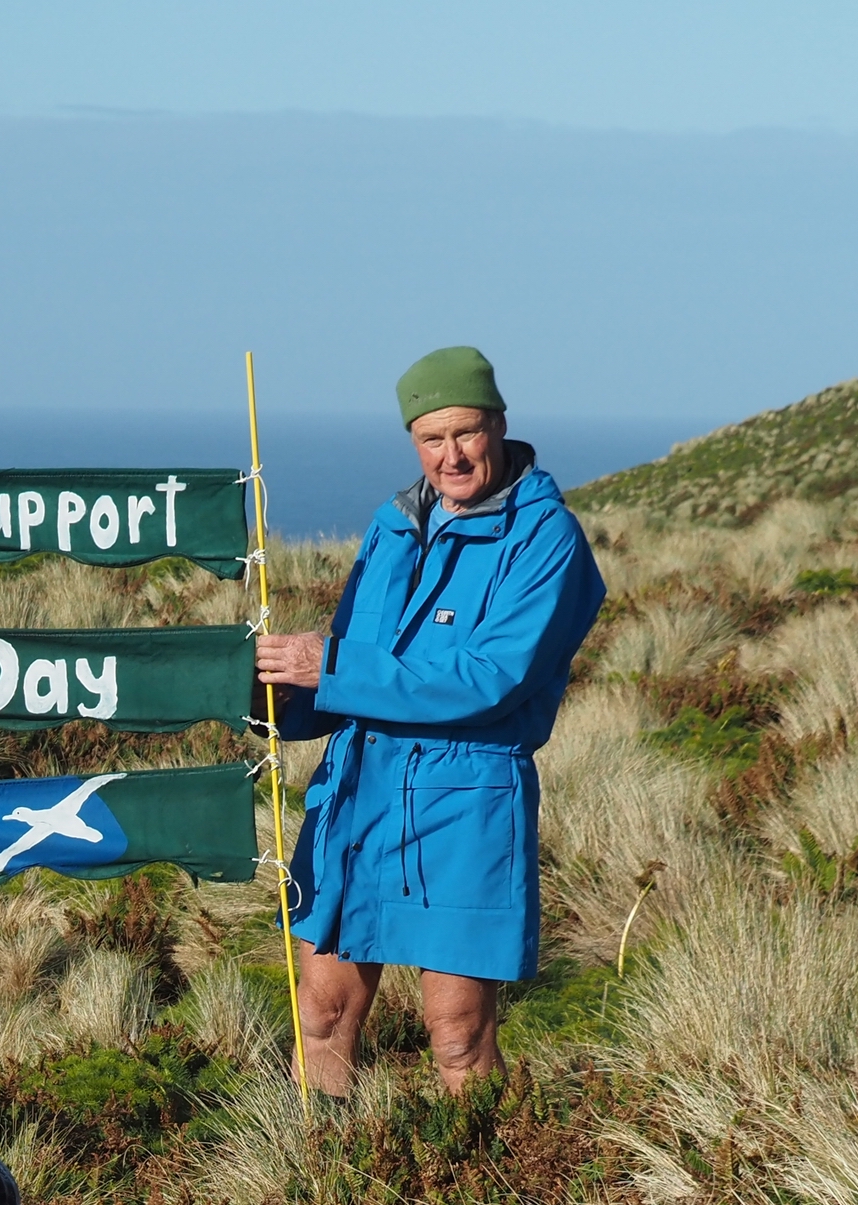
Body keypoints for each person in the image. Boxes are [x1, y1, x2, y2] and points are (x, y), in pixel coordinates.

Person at [254, 347, 605, 1096]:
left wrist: (334, 666)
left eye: (465, 433)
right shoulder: (394, 526)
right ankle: (316, 1187)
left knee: (457, 1034)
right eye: (430, 438)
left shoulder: (545, 539)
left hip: (463, 803)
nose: (449, 455)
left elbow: (488, 679)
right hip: (355, 795)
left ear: (499, 425)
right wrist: (279, 702)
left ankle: (483, 1195)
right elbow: (352, 668)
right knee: (319, 1014)